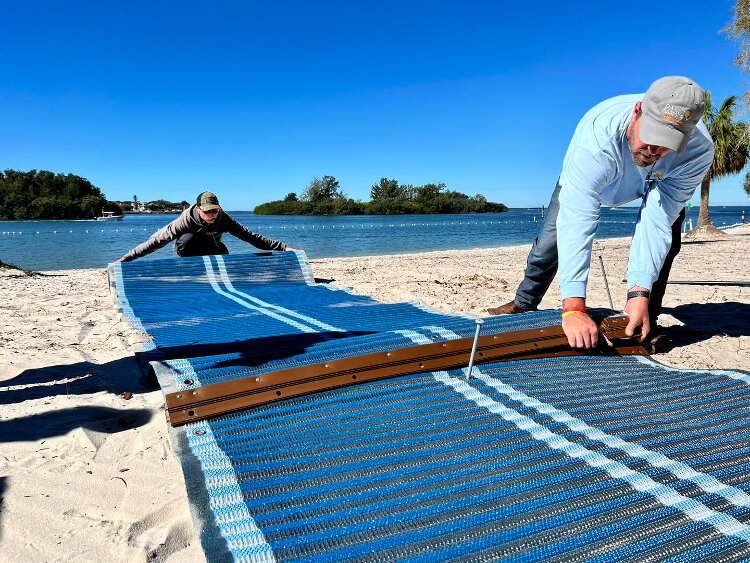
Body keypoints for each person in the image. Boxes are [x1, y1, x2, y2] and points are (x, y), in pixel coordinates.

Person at [487, 76, 714, 349]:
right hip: (589, 179)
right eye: (651, 135)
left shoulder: (698, 151)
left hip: (654, 183)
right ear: (636, 111)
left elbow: (657, 221)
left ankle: (645, 316)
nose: (654, 149)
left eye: (667, 143)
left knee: (668, 244)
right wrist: (573, 308)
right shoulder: (596, 136)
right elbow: (578, 219)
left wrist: (638, 291)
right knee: (549, 244)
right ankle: (524, 302)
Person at [116, 191, 294, 262]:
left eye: (215, 211)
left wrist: (283, 248)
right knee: (187, 239)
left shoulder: (224, 219)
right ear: (198, 209)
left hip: (212, 246)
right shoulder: (185, 220)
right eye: (207, 211)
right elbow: (156, 241)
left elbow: (250, 237)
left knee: (222, 252)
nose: (212, 215)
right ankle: (193, 266)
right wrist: (127, 258)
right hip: (189, 247)